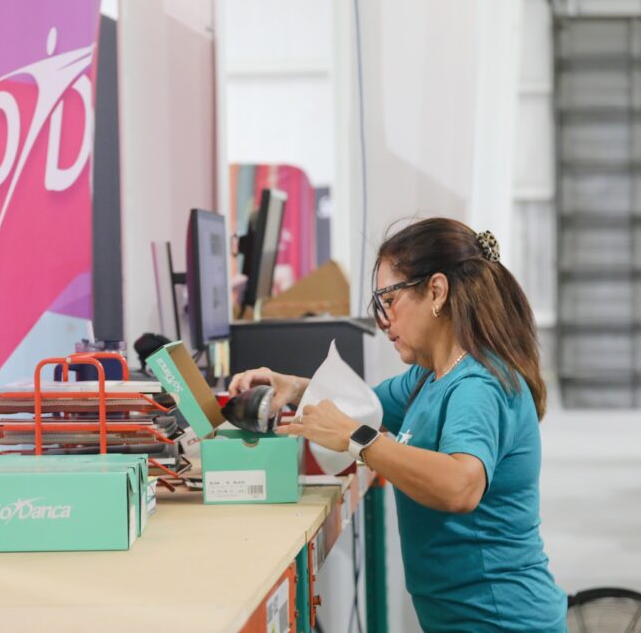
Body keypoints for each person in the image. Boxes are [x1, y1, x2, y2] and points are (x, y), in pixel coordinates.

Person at [228, 217, 566, 632]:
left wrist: (357, 439)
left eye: (389, 300)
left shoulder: (478, 385)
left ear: (437, 292)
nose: (384, 320)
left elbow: (461, 487)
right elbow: (361, 406)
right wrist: (293, 387)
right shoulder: (428, 376)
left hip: (501, 620)